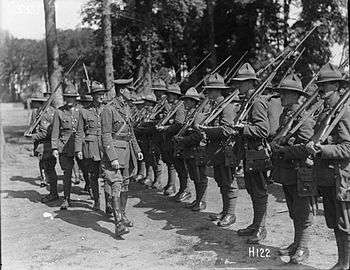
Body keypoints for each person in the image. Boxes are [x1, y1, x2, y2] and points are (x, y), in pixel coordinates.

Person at [304, 63, 350, 270]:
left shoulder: (344, 113)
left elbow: (348, 148)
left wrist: (323, 150)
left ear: (337, 86)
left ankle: (345, 264)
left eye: (326, 85)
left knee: (344, 223)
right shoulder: (327, 111)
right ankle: (341, 262)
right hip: (327, 177)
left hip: (341, 177)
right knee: (334, 221)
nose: (321, 90)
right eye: (320, 85)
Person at [271, 73, 314, 264]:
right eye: (281, 93)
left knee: (303, 211)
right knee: (293, 210)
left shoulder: (303, 118)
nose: (282, 97)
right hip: (288, 172)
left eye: (287, 93)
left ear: (297, 95)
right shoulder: (286, 115)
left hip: (301, 171)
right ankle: (296, 244)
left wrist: (285, 150)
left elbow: (308, 147)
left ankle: (303, 247)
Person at [231, 63, 270, 244]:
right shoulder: (248, 101)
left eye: (241, 82)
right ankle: (255, 224)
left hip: (257, 154)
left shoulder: (257, 102)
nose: (238, 85)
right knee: (252, 190)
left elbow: (264, 130)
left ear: (250, 83)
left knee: (259, 191)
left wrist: (243, 128)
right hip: (249, 154)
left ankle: (261, 228)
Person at [100, 78, 143, 237]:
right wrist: (112, 157)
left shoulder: (127, 108)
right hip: (116, 153)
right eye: (129, 90)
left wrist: (137, 149)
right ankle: (118, 222)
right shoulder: (109, 109)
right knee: (116, 185)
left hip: (128, 152)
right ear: (121, 91)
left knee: (125, 185)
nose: (131, 93)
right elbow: (105, 136)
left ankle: (123, 215)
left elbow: (130, 132)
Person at [198, 73, 240, 227]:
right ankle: (225, 211)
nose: (207, 93)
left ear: (217, 91)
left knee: (229, 182)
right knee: (221, 181)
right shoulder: (216, 106)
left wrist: (206, 130)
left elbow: (228, 129)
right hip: (216, 151)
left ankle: (231, 214)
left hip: (225, 151)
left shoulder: (226, 106)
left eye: (209, 91)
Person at [75, 82, 107, 211]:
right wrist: (78, 149)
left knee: (107, 176)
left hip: (106, 147)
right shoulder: (84, 111)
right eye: (98, 94)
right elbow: (79, 132)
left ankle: (109, 203)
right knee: (93, 176)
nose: (101, 96)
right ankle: (97, 201)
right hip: (91, 147)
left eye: (102, 94)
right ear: (93, 96)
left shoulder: (107, 109)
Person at [175, 87, 208, 211]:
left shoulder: (198, 115)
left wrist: (183, 140)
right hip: (190, 150)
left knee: (200, 177)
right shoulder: (190, 114)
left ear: (194, 102)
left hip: (197, 150)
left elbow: (198, 134)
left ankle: (202, 201)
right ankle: (198, 200)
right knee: (195, 177)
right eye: (185, 100)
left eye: (188, 101)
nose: (185, 103)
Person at [51, 82, 80, 210]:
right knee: (66, 173)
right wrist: (54, 148)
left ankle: (92, 193)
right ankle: (67, 199)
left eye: (72, 97)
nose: (69, 100)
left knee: (87, 170)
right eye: (67, 97)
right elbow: (55, 131)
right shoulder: (59, 112)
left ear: (75, 98)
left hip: (80, 145)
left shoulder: (82, 111)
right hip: (64, 146)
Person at [157, 84, 188, 199]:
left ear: (175, 95)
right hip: (170, 140)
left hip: (176, 141)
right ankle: (174, 186)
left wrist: (165, 128)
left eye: (169, 94)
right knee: (172, 164)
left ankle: (185, 189)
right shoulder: (173, 106)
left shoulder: (179, 107)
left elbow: (179, 124)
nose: (167, 96)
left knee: (180, 166)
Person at [27, 91, 59, 202]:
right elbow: (33, 126)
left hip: (48, 145)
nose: (33, 104)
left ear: (39, 102)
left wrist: (33, 137)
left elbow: (47, 132)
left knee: (50, 170)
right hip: (41, 146)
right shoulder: (37, 112)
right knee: (47, 169)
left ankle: (54, 194)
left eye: (35, 102)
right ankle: (53, 193)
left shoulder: (48, 113)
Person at [135, 93, 162, 190]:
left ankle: (157, 180)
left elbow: (155, 127)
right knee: (147, 159)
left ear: (153, 104)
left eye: (148, 104)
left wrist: (143, 128)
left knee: (156, 161)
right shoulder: (145, 113)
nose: (146, 106)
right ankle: (149, 177)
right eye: (145, 103)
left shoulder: (157, 114)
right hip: (146, 140)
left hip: (154, 140)